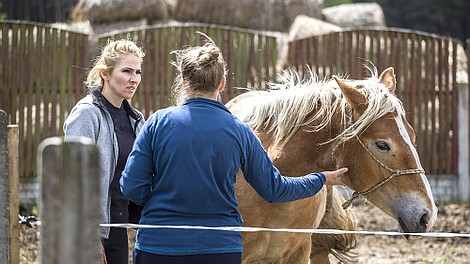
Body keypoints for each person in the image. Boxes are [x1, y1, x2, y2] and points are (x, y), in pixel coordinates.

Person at [120, 35, 347, 264]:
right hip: (219, 250)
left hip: (159, 246)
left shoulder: (157, 123)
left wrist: (161, 202)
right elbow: (275, 189)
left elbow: (131, 185)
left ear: (183, 80)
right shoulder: (240, 131)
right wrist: (320, 179)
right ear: (222, 83)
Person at [63, 39, 146, 264]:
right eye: (126, 71)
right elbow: (74, 179)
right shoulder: (86, 115)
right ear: (105, 74)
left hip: (116, 227)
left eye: (137, 72)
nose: (134, 79)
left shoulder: (136, 119)